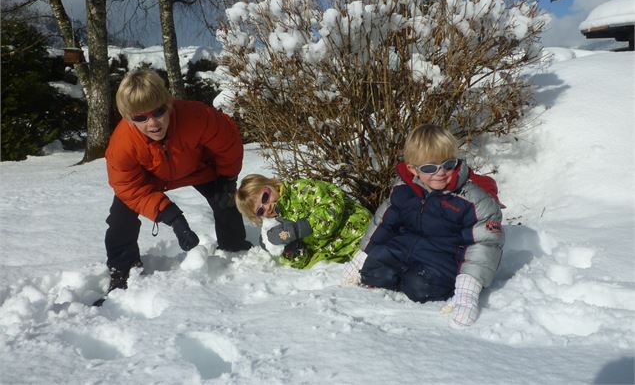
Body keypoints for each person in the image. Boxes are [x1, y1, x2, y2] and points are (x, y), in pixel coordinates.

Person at [103, 69, 251, 293]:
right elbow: (129, 188)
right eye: (140, 118)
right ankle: (123, 271)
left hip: (198, 168)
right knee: (120, 219)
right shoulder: (122, 144)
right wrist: (173, 218)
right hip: (151, 179)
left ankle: (235, 249)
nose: (152, 123)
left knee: (226, 201)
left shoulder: (196, 116)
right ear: (128, 118)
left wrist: (227, 179)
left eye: (159, 112)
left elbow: (227, 142)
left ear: (169, 103)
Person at [353, 124, 504, 326]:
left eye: (448, 164)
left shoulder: (472, 199)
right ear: (412, 169)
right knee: (373, 270)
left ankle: (415, 282)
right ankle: (397, 277)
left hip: (443, 257)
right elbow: (384, 224)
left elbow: (483, 244)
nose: (440, 172)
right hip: (405, 247)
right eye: (429, 168)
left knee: (420, 286)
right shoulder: (404, 189)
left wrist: (467, 291)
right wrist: (361, 257)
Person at [235, 174, 372, 269]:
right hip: (337, 255)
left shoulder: (301, 190)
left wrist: (304, 227)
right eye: (260, 211)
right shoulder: (277, 224)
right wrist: (290, 249)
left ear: (271, 184)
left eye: (265, 197)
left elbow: (333, 205)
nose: (267, 207)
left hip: (358, 233)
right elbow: (304, 261)